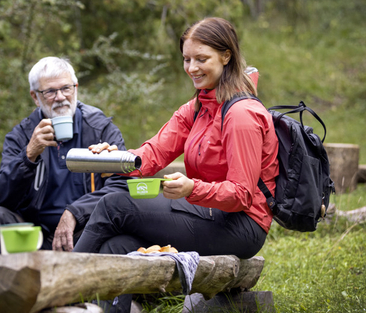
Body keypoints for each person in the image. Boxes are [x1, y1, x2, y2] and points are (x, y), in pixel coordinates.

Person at [73, 17, 279, 311]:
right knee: (116, 245)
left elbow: (241, 194)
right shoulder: (197, 108)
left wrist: (192, 188)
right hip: (207, 214)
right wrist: (114, 160)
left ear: (226, 56)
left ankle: (60, 291)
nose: (192, 68)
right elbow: (153, 152)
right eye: (186, 59)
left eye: (201, 59)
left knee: (113, 205)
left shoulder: (241, 115)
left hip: (242, 225)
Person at [0, 57, 129, 253]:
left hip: (85, 229)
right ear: (35, 97)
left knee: (118, 234)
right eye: (50, 91)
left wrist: (74, 213)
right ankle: (7, 282)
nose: (60, 97)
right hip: (33, 232)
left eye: (66, 88)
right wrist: (28, 156)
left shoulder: (100, 129)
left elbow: (120, 186)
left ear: (76, 87)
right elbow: (0, 198)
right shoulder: (22, 135)